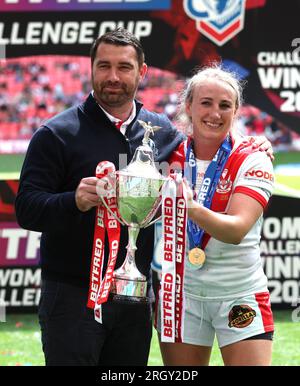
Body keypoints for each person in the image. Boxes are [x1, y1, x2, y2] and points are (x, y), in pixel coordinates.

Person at [15, 28, 272, 366]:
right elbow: (27, 209)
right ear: (91, 69)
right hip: (74, 297)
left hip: (135, 301)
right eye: (104, 66)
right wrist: (72, 200)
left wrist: (255, 143)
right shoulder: (56, 134)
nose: (113, 77)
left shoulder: (163, 135)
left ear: (142, 72)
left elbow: (213, 132)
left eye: (124, 67)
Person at [155, 65, 275, 366]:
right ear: (188, 106)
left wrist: (190, 207)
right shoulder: (168, 155)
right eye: (206, 103)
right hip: (181, 295)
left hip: (239, 292)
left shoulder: (252, 157)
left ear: (235, 111)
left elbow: (236, 230)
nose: (215, 113)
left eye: (225, 105)